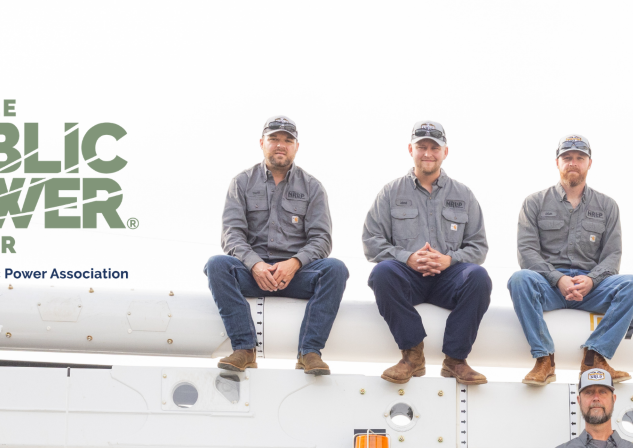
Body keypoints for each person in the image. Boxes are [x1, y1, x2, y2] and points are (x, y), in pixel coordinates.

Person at [204, 115, 346, 375]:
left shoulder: (313, 187)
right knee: (217, 265)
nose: (280, 145)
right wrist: (255, 265)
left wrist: (294, 264)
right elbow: (232, 235)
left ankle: (309, 352)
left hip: (297, 275)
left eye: (287, 140)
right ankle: (245, 349)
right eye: (274, 139)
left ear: (296, 146)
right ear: (262, 143)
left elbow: (321, 240)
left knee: (336, 269)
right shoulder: (242, 182)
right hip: (252, 273)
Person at [509, 134, 633, 386]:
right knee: (520, 279)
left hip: (591, 289)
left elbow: (612, 256)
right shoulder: (534, 203)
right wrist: (558, 278)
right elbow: (526, 252)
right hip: (548, 286)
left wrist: (592, 281)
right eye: (567, 158)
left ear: (589, 163)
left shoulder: (607, 206)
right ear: (557, 163)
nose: (573, 163)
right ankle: (544, 360)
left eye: (579, 158)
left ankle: (595, 357)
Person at [361, 120, 491, 385]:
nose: (428, 153)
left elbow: (478, 247)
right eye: (422, 147)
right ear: (411, 149)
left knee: (479, 276)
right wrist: (407, 257)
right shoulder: (390, 193)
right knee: (382, 272)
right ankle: (412, 356)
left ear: (445, 152)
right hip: (408, 277)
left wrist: (449, 260)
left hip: (450, 279)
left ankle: (455, 360)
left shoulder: (464, 195)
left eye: (435, 147)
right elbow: (371, 241)